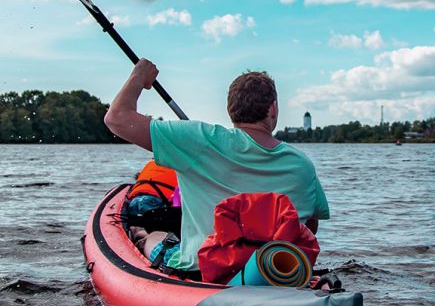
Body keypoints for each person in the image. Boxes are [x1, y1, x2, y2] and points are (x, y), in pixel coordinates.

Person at [104, 59, 330, 274]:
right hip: (274, 273)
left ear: (231, 109)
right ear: (273, 109)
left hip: (202, 270)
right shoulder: (302, 165)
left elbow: (117, 118)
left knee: (156, 237)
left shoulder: (197, 139)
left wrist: (139, 75)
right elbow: (310, 226)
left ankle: (141, 233)